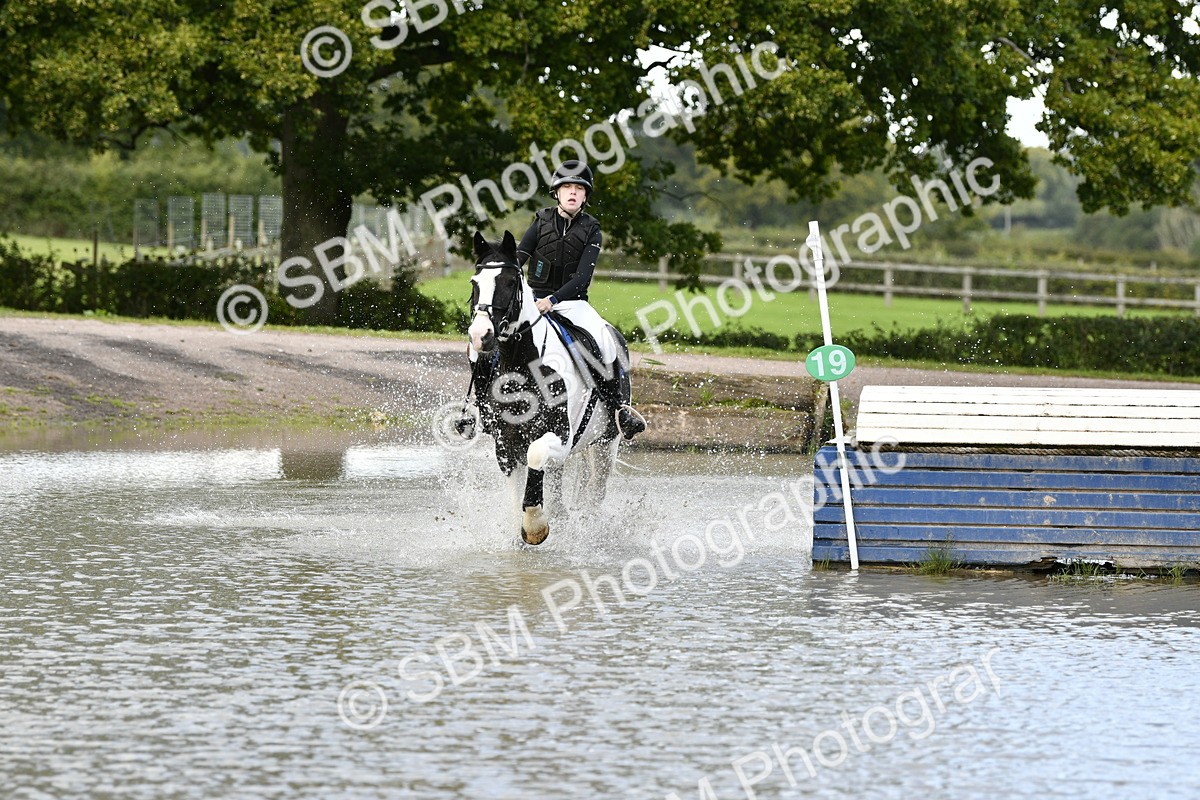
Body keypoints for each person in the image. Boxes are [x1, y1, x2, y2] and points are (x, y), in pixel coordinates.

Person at [515, 160, 646, 440]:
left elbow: (583, 278)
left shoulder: (591, 228)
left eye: (578, 188)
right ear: (557, 193)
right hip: (533, 299)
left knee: (603, 339)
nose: (572, 193)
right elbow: (520, 257)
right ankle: (475, 408)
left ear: (585, 196)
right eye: (567, 188)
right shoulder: (540, 221)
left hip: (572, 302)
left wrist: (553, 299)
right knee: (493, 336)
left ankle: (618, 410)